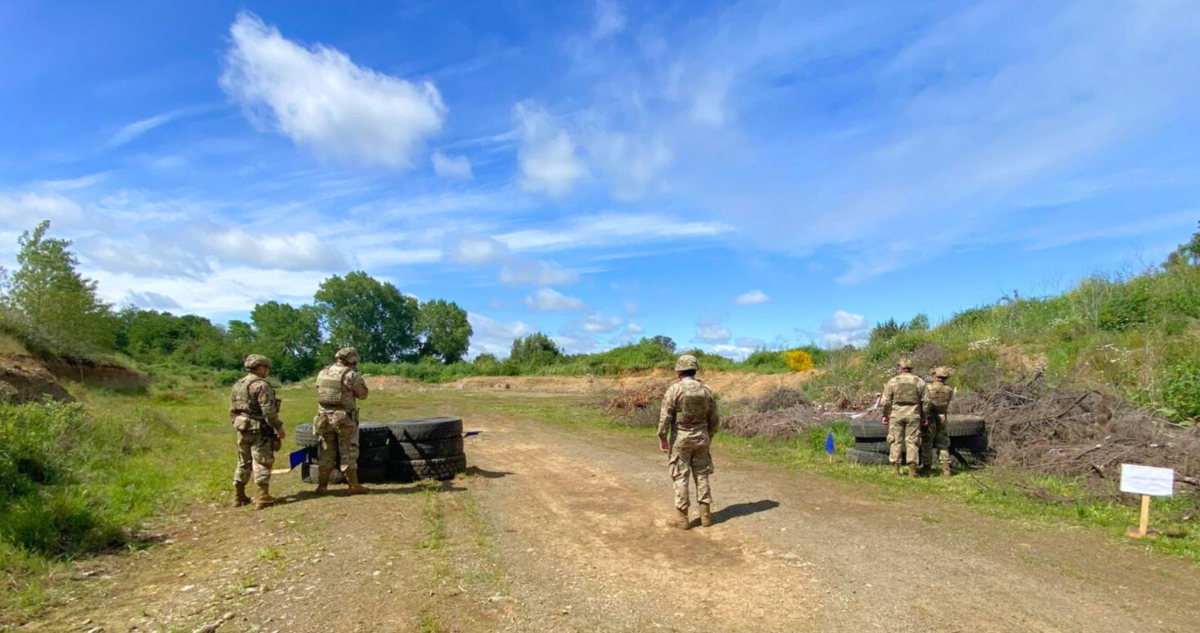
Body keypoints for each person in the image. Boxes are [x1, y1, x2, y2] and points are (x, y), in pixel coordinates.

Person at [658, 354, 720, 529]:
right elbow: (714, 419)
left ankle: (682, 519)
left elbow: (665, 418)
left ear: (679, 371)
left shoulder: (674, 390)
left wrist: (662, 437)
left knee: (680, 476)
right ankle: (706, 516)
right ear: (694, 370)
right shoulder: (706, 390)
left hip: (681, 439)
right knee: (702, 475)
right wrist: (708, 436)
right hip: (702, 437)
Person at [229, 354, 286, 509]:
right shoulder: (261, 385)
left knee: (243, 461)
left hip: (242, 427)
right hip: (259, 428)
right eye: (266, 367)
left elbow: (233, 409)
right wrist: (278, 427)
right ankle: (263, 497)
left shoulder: (238, 384)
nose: (267, 371)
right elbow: (268, 410)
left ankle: (238, 496)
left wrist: (238, 423)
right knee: (262, 460)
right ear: (260, 367)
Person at [313, 347, 370, 494]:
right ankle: (353, 485)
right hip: (343, 419)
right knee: (348, 451)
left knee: (326, 452)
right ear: (351, 360)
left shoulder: (322, 372)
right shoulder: (350, 375)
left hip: (323, 417)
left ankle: (322, 486)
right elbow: (363, 394)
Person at [881, 357, 928, 478]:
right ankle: (912, 470)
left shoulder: (893, 381)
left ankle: (895, 470)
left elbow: (885, 402)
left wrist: (885, 415)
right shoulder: (919, 381)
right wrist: (924, 416)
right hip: (913, 415)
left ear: (900, 368)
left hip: (896, 415)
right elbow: (926, 401)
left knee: (895, 441)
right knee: (912, 442)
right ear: (911, 368)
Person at [924, 366, 955, 477]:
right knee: (943, 444)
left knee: (927, 443)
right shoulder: (949, 389)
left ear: (935, 376)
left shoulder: (927, 387)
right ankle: (946, 468)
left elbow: (924, 402)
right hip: (942, 417)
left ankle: (927, 468)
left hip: (930, 418)